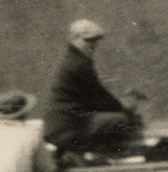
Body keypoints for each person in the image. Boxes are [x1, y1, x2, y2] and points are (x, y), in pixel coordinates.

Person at [42, 19, 143, 162]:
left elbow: (94, 98)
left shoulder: (71, 60)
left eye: (95, 40)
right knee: (122, 119)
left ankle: (92, 155)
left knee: (113, 118)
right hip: (69, 128)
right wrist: (125, 108)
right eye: (88, 40)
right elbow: (99, 98)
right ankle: (104, 156)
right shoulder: (79, 64)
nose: (93, 45)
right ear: (74, 39)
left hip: (58, 128)